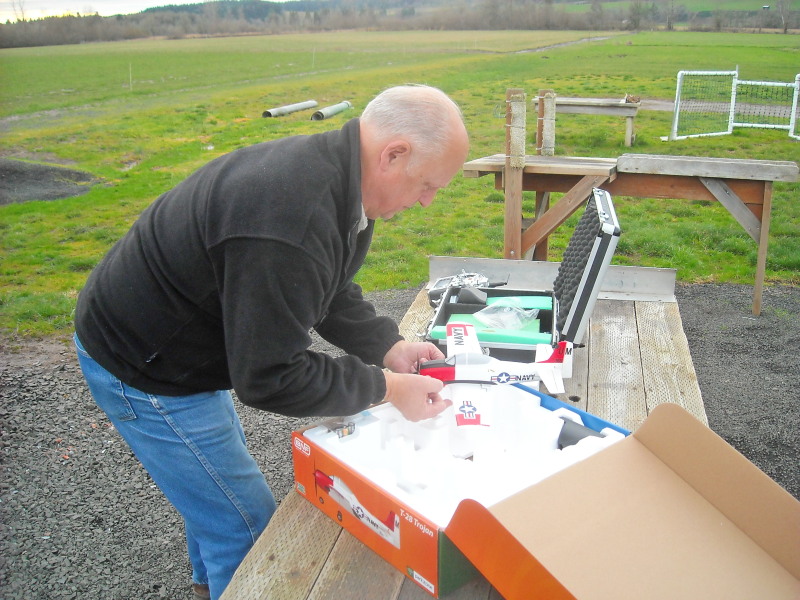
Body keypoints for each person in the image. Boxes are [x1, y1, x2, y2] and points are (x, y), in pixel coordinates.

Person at [73, 84, 470, 600]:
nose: (427, 200)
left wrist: (386, 345)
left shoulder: (342, 182)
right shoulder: (293, 216)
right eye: (427, 184)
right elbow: (269, 375)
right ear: (393, 155)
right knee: (244, 526)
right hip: (144, 360)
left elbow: (325, 284)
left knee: (215, 490)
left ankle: (209, 583)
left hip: (183, 336)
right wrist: (387, 388)